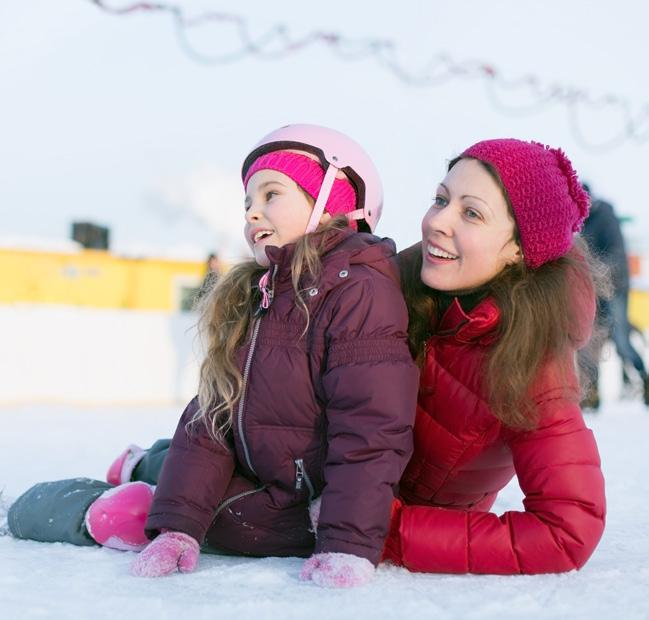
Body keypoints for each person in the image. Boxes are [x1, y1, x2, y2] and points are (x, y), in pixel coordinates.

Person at [7, 124, 418, 587]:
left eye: (271, 195)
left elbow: (371, 426)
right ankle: (108, 482)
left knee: (147, 511)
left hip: (304, 498)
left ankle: (131, 481)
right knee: (173, 498)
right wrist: (178, 528)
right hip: (253, 471)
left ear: (332, 204)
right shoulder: (258, 294)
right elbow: (211, 420)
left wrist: (345, 543)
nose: (253, 214)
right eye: (247, 203)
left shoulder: (360, 291)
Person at [382, 139, 606, 574]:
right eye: (440, 200)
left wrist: (391, 531)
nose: (436, 222)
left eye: (471, 213)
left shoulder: (533, 362)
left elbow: (567, 532)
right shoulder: (388, 285)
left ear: (519, 250)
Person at [578, 186, 649, 408]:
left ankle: (645, 382)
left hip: (616, 286)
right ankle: (592, 395)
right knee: (590, 339)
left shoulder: (605, 216)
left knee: (621, 340)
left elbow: (616, 255)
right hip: (595, 287)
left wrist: (594, 271)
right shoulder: (582, 223)